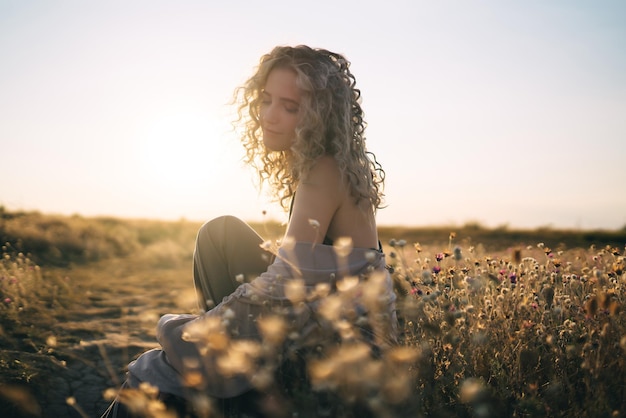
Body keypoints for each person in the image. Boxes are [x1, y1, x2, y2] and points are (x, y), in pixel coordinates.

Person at [102, 45, 397, 418]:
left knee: (172, 356)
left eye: (290, 107)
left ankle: (225, 383)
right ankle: (225, 376)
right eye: (266, 100)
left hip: (348, 352)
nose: (269, 117)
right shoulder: (332, 165)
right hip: (330, 321)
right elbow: (307, 275)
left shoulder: (324, 171)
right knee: (220, 233)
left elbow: (283, 282)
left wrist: (199, 331)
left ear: (320, 115)